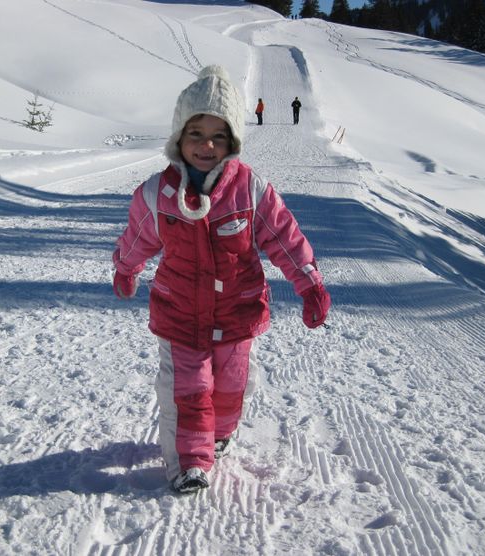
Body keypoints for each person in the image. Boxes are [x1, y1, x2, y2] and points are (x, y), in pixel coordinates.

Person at [112, 66, 331, 494]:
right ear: (179, 138)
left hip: (237, 312)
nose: (206, 145)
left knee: (230, 387)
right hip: (180, 314)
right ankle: (191, 462)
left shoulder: (250, 191)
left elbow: (286, 238)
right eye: (196, 134)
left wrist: (309, 283)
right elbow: (137, 237)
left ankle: (219, 434)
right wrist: (125, 267)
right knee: (188, 389)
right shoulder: (158, 194)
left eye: (218, 135)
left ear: (232, 142)